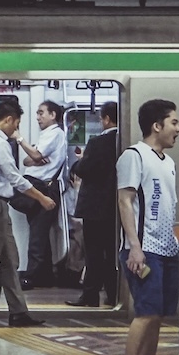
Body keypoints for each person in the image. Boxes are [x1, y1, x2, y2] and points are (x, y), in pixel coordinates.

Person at [113, 99, 179, 355]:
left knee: (157, 316)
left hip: (167, 249)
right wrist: (134, 247)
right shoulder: (134, 156)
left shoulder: (168, 162)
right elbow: (125, 200)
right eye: (174, 122)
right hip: (143, 251)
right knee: (145, 312)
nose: (178, 129)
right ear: (157, 126)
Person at [0, 96, 56, 326]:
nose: (16, 129)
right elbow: (15, 178)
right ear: (8, 119)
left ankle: (18, 312)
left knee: (9, 261)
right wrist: (42, 197)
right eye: (16, 124)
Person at [67, 101, 122, 308]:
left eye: (101, 118)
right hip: (115, 207)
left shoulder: (98, 142)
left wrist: (78, 163)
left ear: (107, 119)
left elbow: (85, 169)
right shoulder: (124, 141)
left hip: (95, 207)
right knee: (112, 252)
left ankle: (90, 296)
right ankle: (113, 294)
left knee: (94, 253)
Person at [20, 100, 68, 286]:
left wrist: (19, 139)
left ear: (53, 115)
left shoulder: (54, 134)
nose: (38, 117)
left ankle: (31, 277)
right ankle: (45, 276)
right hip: (41, 186)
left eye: (41, 113)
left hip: (45, 187)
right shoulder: (47, 135)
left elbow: (36, 155)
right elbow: (27, 160)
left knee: (37, 235)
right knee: (40, 233)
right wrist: (34, 157)